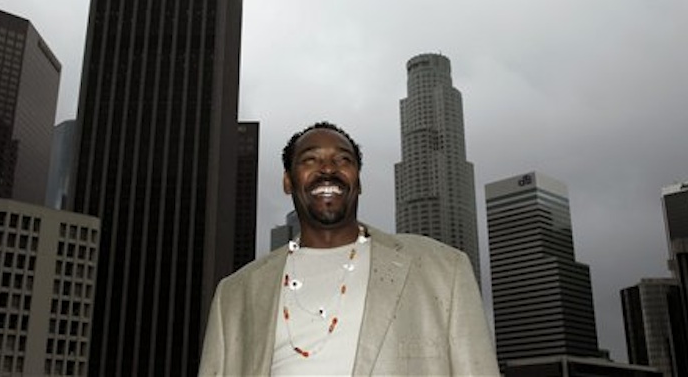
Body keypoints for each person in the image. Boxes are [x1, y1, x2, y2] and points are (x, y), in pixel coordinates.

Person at [199, 122, 500, 375]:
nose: (328, 168)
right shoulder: (234, 294)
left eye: (344, 160)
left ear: (359, 181)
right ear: (288, 182)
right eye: (310, 160)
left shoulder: (443, 269)